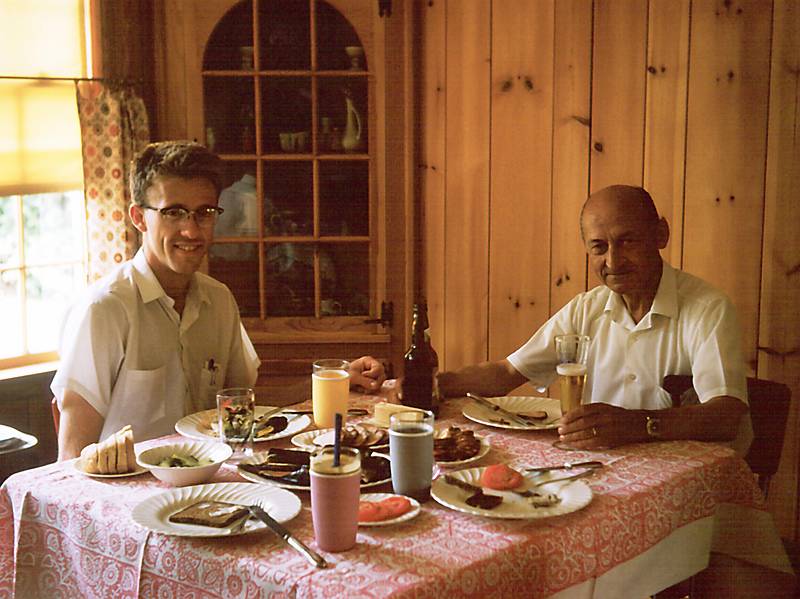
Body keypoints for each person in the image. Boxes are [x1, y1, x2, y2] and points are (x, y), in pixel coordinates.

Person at [53, 141, 385, 460]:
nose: (192, 231)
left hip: (214, 486)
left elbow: (242, 404)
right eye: (174, 213)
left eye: (204, 213)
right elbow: (71, 457)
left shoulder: (219, 300)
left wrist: (335, 377)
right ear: (139, 217)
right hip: (127, 500)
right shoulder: (104, 310)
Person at [437, 184, 751, 452]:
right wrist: (429, 385)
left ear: (661, 234)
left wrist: (638, 424)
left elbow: (727, 416)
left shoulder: (708, 308)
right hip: (598, 468)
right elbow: (506, 373)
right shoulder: (586, 308)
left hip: (685, 485)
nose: (613, 261)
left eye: (628, 241)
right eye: (599, 247)